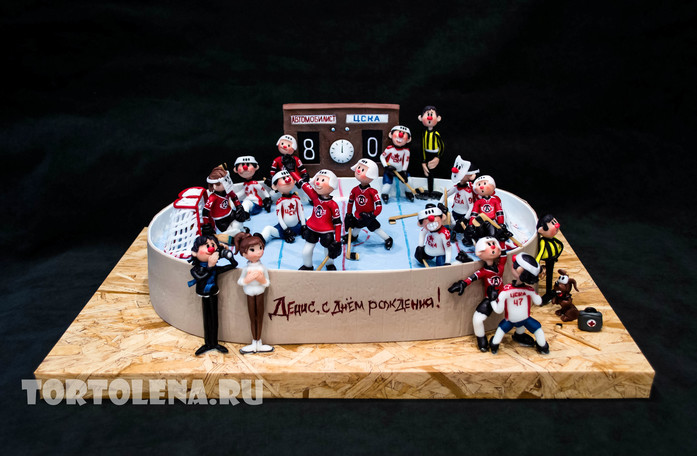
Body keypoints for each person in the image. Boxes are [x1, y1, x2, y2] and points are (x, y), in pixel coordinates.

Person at [448, 237, 507, 352]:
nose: (493, 246)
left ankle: (517, 333)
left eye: (493, 243)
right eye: (489, 244)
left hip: (503, 296)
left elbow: (504, 256)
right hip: (490, 299)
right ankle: (482, 340)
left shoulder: (500, 267)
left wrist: (503, 240)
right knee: (477, 319)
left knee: (517, 314)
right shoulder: (484, 271)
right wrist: (463, 284)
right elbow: (472, 277)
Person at [187, 234, 238, 355]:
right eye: (206, 245)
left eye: (213, 245)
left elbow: (234, 265)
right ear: (195, 253)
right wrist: (210, 266)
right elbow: (200, 277)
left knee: (214, 319)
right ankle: (207, 343)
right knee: (207, 319)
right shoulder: (195, 269)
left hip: (214, 294)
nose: (210, 248)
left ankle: (214, 343)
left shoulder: (215, 269)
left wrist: (228, 256)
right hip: (204, 295)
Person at [489, 253, 549, 354]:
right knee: (537, 329)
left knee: (501, 329)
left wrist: (492, 300)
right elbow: (538, 301)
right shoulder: (529, 290)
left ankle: (494, 345)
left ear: (519, 270)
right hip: (525, 319)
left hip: (510, 320)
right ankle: (543, 346)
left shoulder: (506, 291)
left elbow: (498, 310)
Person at [290, 168, 342, 270]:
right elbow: (303, 183)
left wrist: (337, 241)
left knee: (329, 250)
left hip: (326, 231)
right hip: (312, 228)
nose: (318, 182)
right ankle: (307, 265)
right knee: (306, 250)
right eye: (317, 179)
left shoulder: (333, 205)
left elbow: (338, 223)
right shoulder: (314, 196)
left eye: (323, 180)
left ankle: (330, 264)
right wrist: (292, 171)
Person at [234, 232, 273, 354]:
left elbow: (267, 283)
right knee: (252, 317)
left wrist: (261, 280)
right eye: (252, 249)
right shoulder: (246, 269)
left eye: (260, 248)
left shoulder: (262, 268)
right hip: (249, 294)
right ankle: (254, 341)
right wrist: (247, 279)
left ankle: (259, 341)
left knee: (260, 317)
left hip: (260, 293)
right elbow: (240, 281)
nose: (258, 252)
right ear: (244, 254)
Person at [344, 158, 393, 249]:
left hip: (369, 217)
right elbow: (350, 203)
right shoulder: (354, 190)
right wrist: (349, 214)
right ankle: (353, 236)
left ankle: (388, 239)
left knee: (376, 229)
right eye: (359, 167)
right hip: (359, 215)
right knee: (357, 226)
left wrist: (372, 215)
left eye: (362, 169)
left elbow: (379, 206)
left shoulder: (372, 192)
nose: (358, 170)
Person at [260, 170, 306, 243]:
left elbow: (301, 212)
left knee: (311, 221)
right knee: (268, 229)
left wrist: (303, 225)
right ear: (275, 186)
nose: (287, 179)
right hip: (284, 229)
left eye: (288, 177)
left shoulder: (296, 199)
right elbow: (280, 217)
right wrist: (285, 229)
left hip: (298, 227)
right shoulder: (280, 202)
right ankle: (260, 240)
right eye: (283, 178)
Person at [202, 165, 249, 235]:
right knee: (230, 232)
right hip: (220, 220)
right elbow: (205, 211)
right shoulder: (212, 197)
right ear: (213, 185)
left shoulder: (228, 191)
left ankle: (241, 229)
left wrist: (239, 207)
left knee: (239, 221)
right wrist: (206, 224)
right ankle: (238, 233)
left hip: (230, 213)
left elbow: (234, 198)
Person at [442, 156, 478, 246]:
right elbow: (446, 194)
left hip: (463, 215)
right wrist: (440, 203)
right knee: (452, 224)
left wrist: (465, 218)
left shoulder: (468, 192)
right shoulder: (456, 187)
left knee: (462, 229)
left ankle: (465, 237)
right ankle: (452, 232)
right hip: (455, 212)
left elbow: (471, 207)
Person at [380, 125, 414, 203]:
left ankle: (408, 192)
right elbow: (382, 157)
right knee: (387, 186)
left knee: (409, 181)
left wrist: (404, 171)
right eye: (398, 133)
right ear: (391, 135)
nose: (400, 135)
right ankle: (384, 194)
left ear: (408, 139)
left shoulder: (406, 151)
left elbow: (406, 161)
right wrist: (386, 166)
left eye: (403, 134)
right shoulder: (389, 149)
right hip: (389, 171)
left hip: (400, 171)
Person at [535, 214, 564, 304]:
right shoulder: (543, 241)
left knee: (550, 275)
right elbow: (540, 253)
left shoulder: (554, 239)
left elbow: (560, 245)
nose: (556, 225)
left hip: (553, 259)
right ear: (541, 230)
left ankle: (550, 291)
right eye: (552, 223)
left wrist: (557, 256)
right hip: (548, 260)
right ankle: (548, 292)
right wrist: (536, 263)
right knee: (548, 275)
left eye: (554, 222)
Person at [417, 105, 444, 199]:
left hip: (434, 155)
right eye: (427, 114)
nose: (429, 117)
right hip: (426, 154)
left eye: (431, 114)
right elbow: (422, 147)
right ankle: (429, 191)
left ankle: (431, 191)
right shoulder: (424, 133)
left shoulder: (436, 134)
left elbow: (442, 146)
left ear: (438, 118)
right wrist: (423, 161)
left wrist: (438, 157)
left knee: (431, 173)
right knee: (427, 173)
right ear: (421, 118)